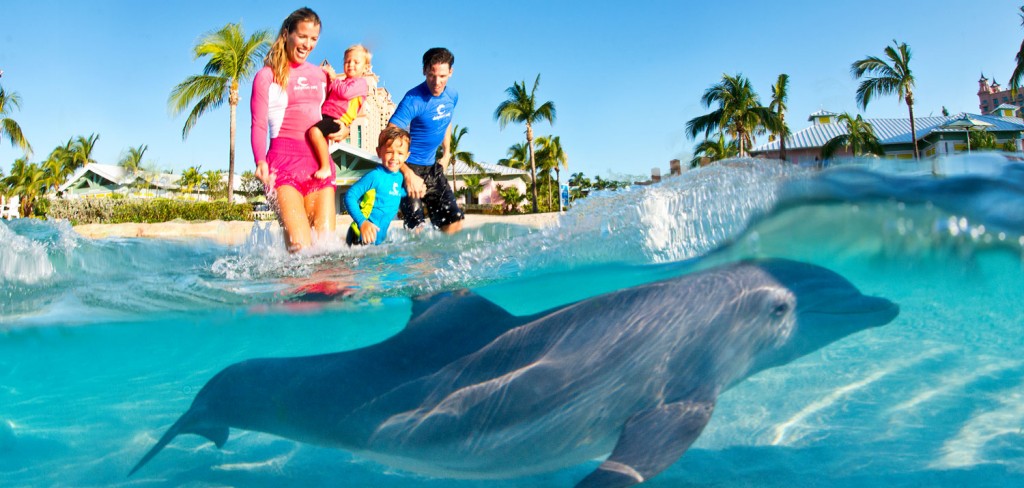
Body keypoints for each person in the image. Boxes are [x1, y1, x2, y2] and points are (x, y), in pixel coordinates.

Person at [250, 7, 336, 252]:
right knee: (300, 250)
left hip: (318, 166)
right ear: (287, 34)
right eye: (302, 36)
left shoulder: (321, 75)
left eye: (313, 38)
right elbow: (258, 123)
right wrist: (259, 160)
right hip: (283, 168)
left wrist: (341, 129)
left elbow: (333, 114)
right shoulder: (267, 76)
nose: (307, 44)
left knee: (327, 252)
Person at [388, 47, 464, 234]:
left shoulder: (452, 96)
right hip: (409, 167)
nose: (437, 82)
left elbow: (447, 120)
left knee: (453, 225)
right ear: (424, 71)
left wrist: (447, 153)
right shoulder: (413, 100)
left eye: (442, 76)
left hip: (432, 169)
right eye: (432, 75)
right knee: (417, 230)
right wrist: (407, 174)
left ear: (451, 72)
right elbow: (388, 137)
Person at [308, 44, 373, 181]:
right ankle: (317, 164)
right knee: (314, 138)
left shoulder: (360, 83)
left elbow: (344, 93)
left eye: (356, 62)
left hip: (337, 120)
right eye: (347, 61)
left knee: (314, 132)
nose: (351, 65)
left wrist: (334, 78)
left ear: (366, 68)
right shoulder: (343, 82)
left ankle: (325, 166)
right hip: (326, 116)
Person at [344, 126, 410, 246]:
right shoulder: (375, 176)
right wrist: (362, 222)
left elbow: (394, 194)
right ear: (379, 152)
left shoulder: (399, 177)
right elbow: (350, 196)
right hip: (359, 235)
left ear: (407, 156)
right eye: (389, 152)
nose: (394, 157)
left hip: (378, 241)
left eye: (400, 153)